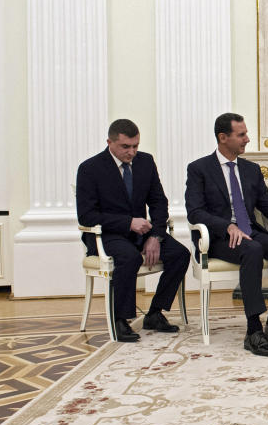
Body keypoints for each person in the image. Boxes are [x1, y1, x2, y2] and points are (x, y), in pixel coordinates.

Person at [185, 113, 268, 357]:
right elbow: (194, 211)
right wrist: (226, 226)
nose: (247, 139)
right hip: (219, 239)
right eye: (241, 135)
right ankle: (253, 331)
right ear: (223, 137)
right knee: (253, 249)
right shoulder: (199, 169)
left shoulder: (250, 170)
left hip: (250, 232)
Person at [76, 119, 190, 342]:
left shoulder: (145, 162)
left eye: (135, 146)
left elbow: (159, 203)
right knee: (129, 258)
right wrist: (128, 222)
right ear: (109, 142)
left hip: (142, 232)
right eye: (125, 147)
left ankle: (155, 313)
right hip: (107, 234)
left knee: (180, 254)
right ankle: (120, 318)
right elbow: (87, 216)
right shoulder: (90, 169)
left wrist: (156, 236)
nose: (132, 152)